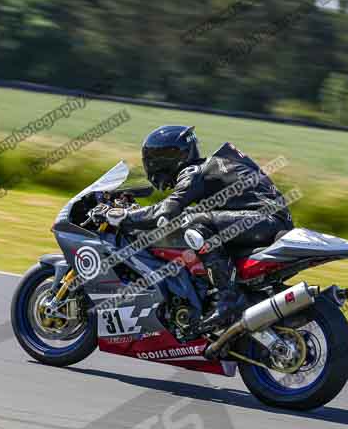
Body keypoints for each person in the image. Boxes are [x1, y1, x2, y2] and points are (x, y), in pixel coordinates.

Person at [104, 125, 294, 333]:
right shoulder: (213, 167)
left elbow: (166, 211)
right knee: (196, 226)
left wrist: (124, 217)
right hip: (266, 221)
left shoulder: (193, 171)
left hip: (263, 221)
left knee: (192, 222)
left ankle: (228, 298)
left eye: (154, 157)